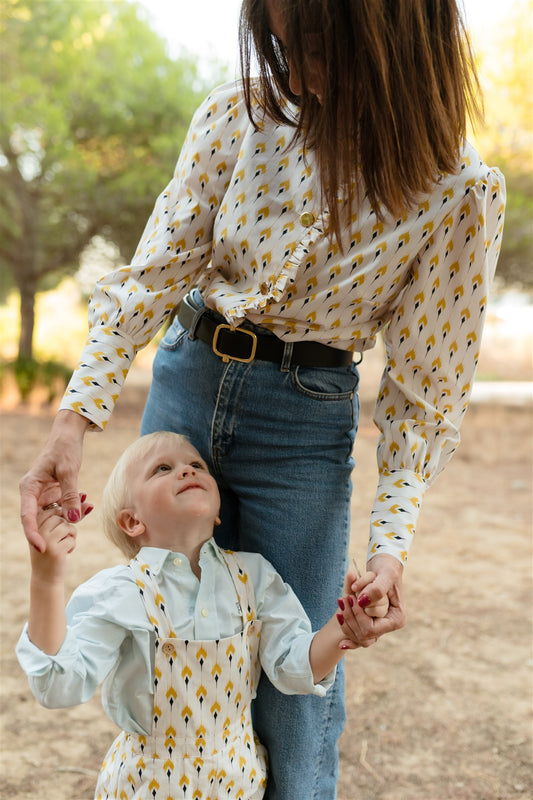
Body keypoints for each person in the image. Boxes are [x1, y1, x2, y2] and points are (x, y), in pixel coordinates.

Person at [19, 1, 506, 797]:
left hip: (305, 422)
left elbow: (423, 399)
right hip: (187, 376)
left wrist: (388, 552)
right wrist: (72, 427)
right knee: (164, 627)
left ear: (386, 41)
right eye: (278, 48)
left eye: (310, 48)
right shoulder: (235, 115)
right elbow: (151, 280)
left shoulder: (458, 192)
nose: (294, 77)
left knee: (295, 698)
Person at [16, 431, 374, 799]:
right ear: (131, 522)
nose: (186, 471)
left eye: (196, 465)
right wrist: (46, 579)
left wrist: (342, 627)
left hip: (239, 785)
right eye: (163, 468)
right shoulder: (119, 592)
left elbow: (292, 665)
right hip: (145, 788)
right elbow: (59, 686)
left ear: (219, 514)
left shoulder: (255, 577)